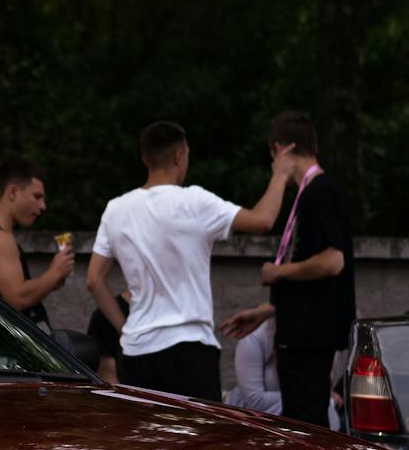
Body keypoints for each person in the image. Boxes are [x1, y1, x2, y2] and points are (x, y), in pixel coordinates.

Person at [86, 120, 292, 401]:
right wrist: (280, 175)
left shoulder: (116, 209)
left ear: (145, 158)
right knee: (199, 443)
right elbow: (263, 220)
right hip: (190, 350)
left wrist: (126, 329)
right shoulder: (194, 202)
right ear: (179, 156)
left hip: (137, 352)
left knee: (149, 441)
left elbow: (94, 280)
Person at [219, 113, 354, 427]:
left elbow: (332, 261)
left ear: (280, 150)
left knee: (305, 427)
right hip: (303, 336)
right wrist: (267, 310)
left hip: (308, 339)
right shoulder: (315, 193)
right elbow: (313, 281)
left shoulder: (319, 191)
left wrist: (279, 273)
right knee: (303, 424)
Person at [0, 157, 74, 329]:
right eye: (37, 197)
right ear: (12, 193)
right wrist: (55, 272)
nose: (43, 206)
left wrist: (50, 281)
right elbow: (18, 298)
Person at [225, 318, 342, 429]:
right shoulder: (254, 339)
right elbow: (255, 401)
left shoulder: (325, 340)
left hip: (303, 421)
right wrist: (318, 397)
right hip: (251, 423)